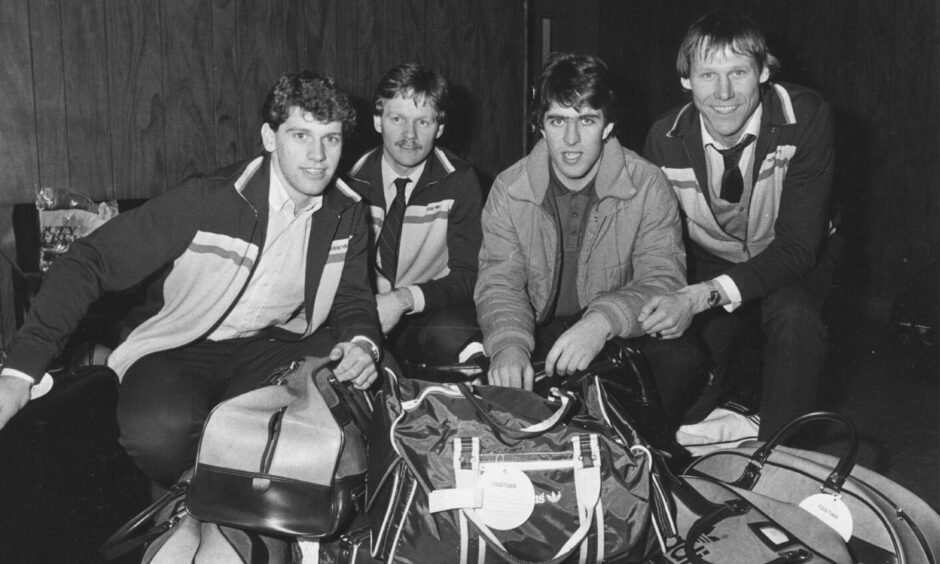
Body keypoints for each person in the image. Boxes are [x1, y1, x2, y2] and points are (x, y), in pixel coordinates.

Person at [0, 71, 382, 487]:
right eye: (301, 135)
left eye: (331, 138)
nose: (318, 156)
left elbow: (353, 299)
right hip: (183, 346)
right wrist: (19, 373)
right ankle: (190, 505)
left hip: (274, 343)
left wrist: (361, 343)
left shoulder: (347, 210)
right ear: (270, 138)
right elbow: (87, 260)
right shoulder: (210, 198)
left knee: (371, 385)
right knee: (157, 435)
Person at [475, 52, 706, 431]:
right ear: (540, 126)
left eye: (586, 120)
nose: (570, 140)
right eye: (557, 121)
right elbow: (499, 282)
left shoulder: (648, 184)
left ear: (608, 125)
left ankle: (641, 455)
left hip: (616, 324)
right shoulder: (509, 188)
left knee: (683, 356)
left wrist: (601, 323)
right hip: (538, 326)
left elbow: (664, 279)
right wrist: (509, 344)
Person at [640, 10, 838, 440]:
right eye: (708, 74)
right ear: (686, 79)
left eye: (739, 72)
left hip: (795, 261)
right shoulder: (663, 139)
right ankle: (739, 412)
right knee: (686, 399)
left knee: (794, 319)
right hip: (711, 262)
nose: (724, 92)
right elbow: (657, 241)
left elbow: (798, 249)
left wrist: (703, 297)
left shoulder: (806, 116)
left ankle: (779, 458)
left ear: (764, 72)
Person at [348, 62, 482, 365]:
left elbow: (470, 275)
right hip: (363, 314)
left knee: (463, 342)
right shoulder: (349, 182)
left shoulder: (459, 181)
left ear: (441, 128)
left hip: (427, 310)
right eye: (397, 118)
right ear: (378, 120)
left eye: (423, 122)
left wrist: (404, 300)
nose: (410, 135)